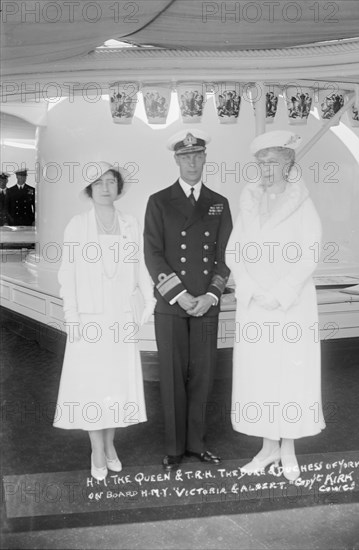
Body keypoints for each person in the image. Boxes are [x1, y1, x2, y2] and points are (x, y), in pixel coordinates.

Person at [226, 131, 325, 481]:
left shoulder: (302, 203)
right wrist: (252, 289)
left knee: (291, 375)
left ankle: (288, 449)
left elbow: (310, 253)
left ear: (288, 164)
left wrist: (280, 293)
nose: (265, 169)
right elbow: (234, 252)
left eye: (272, 162)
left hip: (291, 307)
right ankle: (268, 448)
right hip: (255, 307)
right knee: (261, 375)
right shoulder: (249, 201)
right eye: (260, 162)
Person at [53, 162, 155, 481]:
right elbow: (67, 274)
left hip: (120, 316)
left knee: (114, 385)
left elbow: (142, 268)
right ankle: (96, 449)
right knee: (92, 386)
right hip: (89, 317)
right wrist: (73, 317)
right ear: (89, 189)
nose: (105, 187)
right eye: (98, 183)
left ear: (118, 187)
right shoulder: (77, 225)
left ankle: (110, 445)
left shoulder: (129, 222)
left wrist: (145, 307)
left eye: (110, 182)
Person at [144, 129, 233, 471]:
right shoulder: (159, 200)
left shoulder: (218, 202)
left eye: (197, 156)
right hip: (171, 305)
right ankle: (174, 447)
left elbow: (227, 255)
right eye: (185, 157)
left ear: (205, 158)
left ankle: (197, 444)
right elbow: (153, 253)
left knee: (203, 377)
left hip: (207, 305)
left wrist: (211, 294)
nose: (192, 162)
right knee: (171, 376)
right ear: (176, 160)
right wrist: (181, 296)